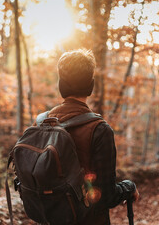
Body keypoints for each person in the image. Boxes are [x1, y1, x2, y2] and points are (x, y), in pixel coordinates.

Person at [44, 49, 139, 225]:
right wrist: (129, 187)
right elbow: (106, 196)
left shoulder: (43, 123)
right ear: (91, 85)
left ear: (60, 84)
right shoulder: (99, 130)